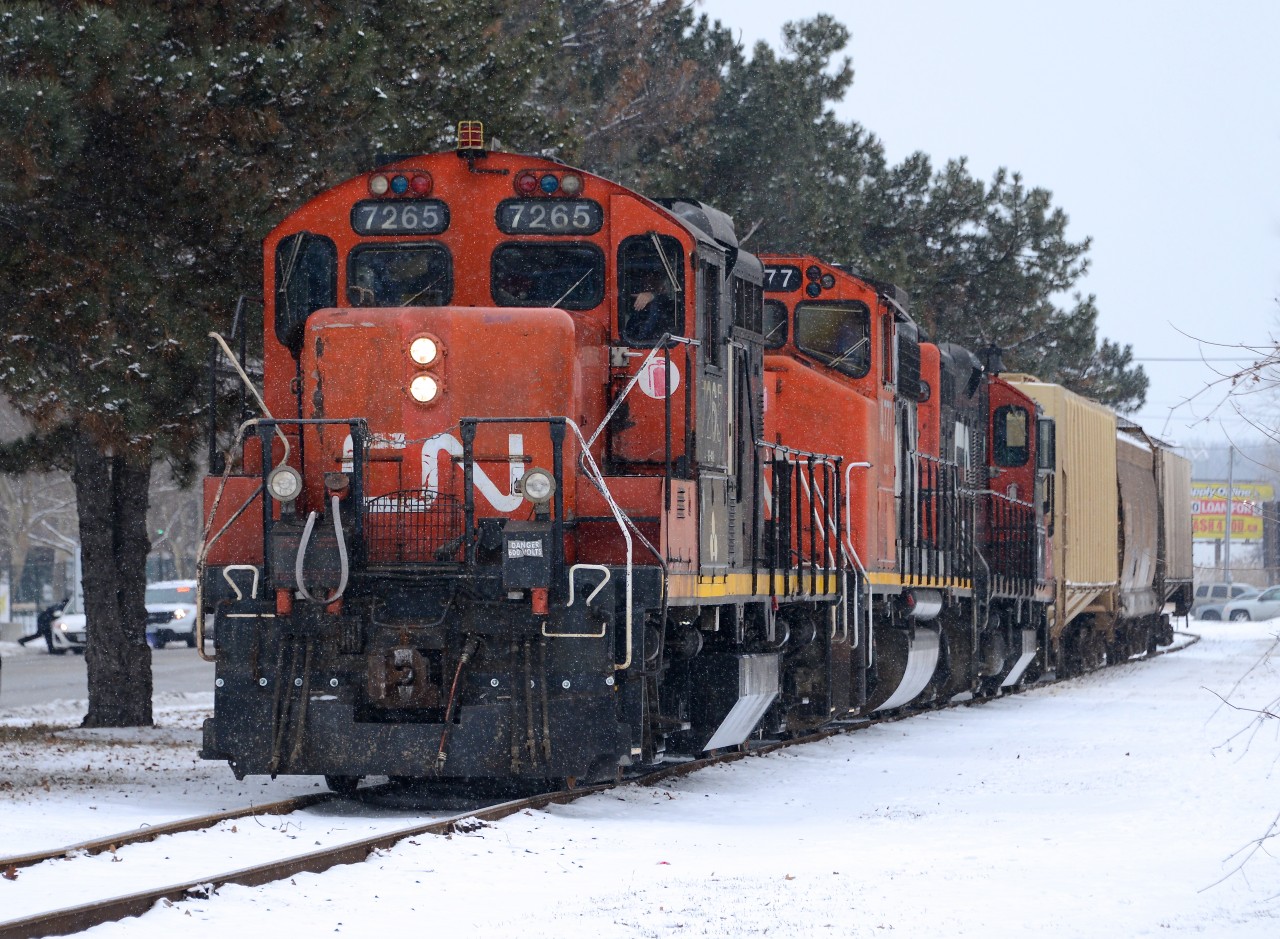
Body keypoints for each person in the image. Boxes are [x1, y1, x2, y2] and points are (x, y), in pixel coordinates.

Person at [625, 270, 676, 343]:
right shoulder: (631, 306)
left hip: (658, 347)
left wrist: (654, 296)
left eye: (656, 279)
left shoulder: (670, 307)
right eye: (648, 280)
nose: (650, 283)